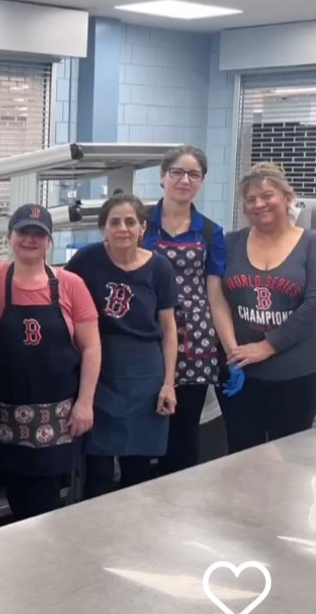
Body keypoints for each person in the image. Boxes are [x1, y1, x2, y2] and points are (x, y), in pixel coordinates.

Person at [0, 204, 100, 520]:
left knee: (46, 502)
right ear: (10, 236)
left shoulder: (70, 284)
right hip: (6, 416)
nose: (30, 240)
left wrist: (85, 403)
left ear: (49, 241)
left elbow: (91, 348)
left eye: (39, 234)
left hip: (58, 419)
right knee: (15, 496)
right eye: (23, 232)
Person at [67, 193, 178, 497]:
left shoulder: (160, 268)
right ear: (103, 227)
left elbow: (169, 330)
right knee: (98, 472)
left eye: (131, 222)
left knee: (138, 473)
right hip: (100, 373)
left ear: (143, 227)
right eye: (114, 222)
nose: (123, 228)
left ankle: (133, 538)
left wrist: (168, 384)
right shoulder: (85, 261)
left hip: (146, 376)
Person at [142, 146, 228, 476]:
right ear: (162, 177)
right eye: (177, 172)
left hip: (195, 342)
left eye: (194, 174)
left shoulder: (210, 232)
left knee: (183, 433)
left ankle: (177, 505)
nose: (184, 180)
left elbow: (215, 295)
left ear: (202, 182)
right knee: (145, 425)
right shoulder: (140, 223)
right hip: (146, 333)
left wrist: (229, 350)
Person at [219, 163, 316, 453]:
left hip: (294, 376)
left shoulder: (311, 244)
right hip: (242, 373)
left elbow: (313, 304)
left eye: (267, 195)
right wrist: (232, 351)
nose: (259, 204)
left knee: (288, 463)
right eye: (250, 199)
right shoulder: (230, 243)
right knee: (240, 457)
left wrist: (267, 346)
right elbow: (218, 298)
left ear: (288, 197)